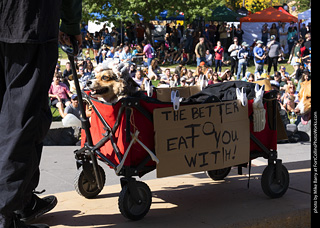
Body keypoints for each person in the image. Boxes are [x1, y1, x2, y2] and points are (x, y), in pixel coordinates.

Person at [0, 0, 82, 227]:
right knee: (22, 120)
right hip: (30, 21)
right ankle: (6, 214)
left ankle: (20, 201)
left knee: (20, 117)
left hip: (18, 21)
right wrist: (72, 25)